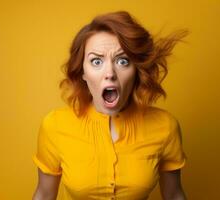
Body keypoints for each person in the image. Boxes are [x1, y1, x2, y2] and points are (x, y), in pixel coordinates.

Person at [32, 11, 188, 200]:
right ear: (83, 72)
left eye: (122, 61)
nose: (110, 73)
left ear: (137, 70)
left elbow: (174, 195)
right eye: (96, 61)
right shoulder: (55, 126)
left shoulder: (165, 126)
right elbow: (44, 195)